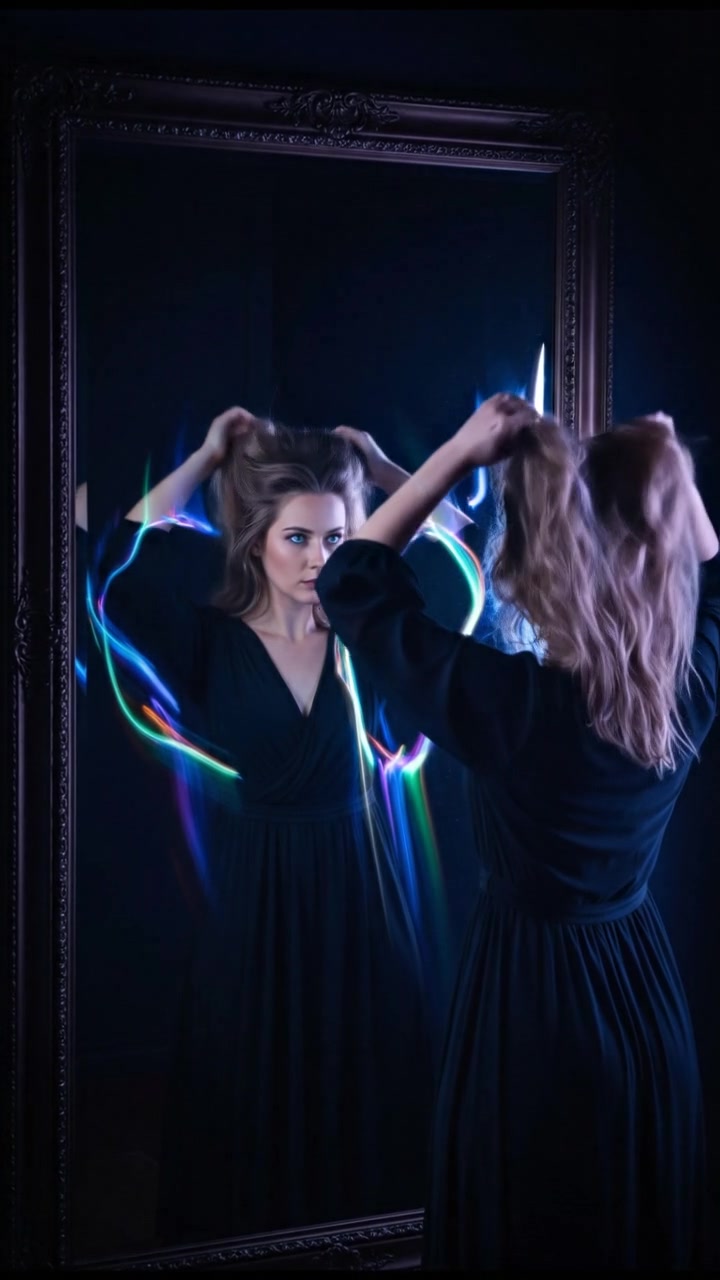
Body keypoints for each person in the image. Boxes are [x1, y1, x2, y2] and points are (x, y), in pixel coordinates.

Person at [315, 393, 720, 1269]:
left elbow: (349, 580)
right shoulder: (686, 690)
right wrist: (668, 470)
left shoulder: (512, 707)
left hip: (531, 1009)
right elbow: (714, 574)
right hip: (646, 1004)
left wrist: (459, 449)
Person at [80, 405, 478, 1245]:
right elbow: (112, 565)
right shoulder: (209, 641)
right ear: (256, 537)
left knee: (364, 1075)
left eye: (335, 540)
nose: (316, 560)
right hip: (254, 894)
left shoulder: (371, 636)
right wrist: (209, 456)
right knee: (251, 1076)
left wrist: (374, 467)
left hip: (358, 889)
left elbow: (457, 563)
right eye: (296, 538)